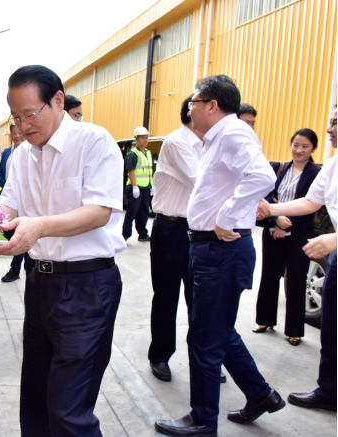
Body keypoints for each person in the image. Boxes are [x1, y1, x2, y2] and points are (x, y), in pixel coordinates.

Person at [0, 65, 125, 436]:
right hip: (40, 284)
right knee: (35, 400)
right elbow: (8, 207)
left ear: (57, 100)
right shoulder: (22, 155)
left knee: (69, 410)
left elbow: (99, 212)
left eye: (30, 114)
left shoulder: (93, 141)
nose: (22, 126)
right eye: (16, 118)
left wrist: (39, 226)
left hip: (87, 286)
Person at [155, 75, 284, 437]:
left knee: (205, 339)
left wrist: (227, 216)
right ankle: (260, 395)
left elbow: (261, 175)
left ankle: (202, 420)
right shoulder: (216, 138)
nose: (189, 107)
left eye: (194, 101)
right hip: (208, 247)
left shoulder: (232, 132)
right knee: (217, 332)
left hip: (221, 248)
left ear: (211, 105)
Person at [259, 106, 337, 412]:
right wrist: (270, 210)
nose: (330, 129)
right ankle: (330, 391)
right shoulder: (332, 166)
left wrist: (333, 239)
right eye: (331, 122)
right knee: (331, 328)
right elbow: (309, 202)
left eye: (336, 123)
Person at [148, 95, 202, 382]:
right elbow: (202, 181)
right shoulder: (177, 142)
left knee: (199, 301)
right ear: (192, 113)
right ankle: (160, 355)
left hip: (199, 231)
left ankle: (203, 361)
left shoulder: (207, 145)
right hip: (171, 230)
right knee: (167, 297)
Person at [253, 129, 321, 346]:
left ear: (313, 149)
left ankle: (294, 330)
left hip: (299, 233)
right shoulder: (279, 168)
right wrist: (276, 219)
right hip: (274, 229)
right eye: (296, 145)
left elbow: (311, 205)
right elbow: (266, 195)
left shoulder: (316, 173)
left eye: (305, 146)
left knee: (296, 279)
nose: (299, 150)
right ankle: (265, 320)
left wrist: (286, 222)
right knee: (269, 275)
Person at [0, 123, 35, 282]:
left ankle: (15, 268)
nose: (17, 134)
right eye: (14, 132)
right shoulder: (9, 153)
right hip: (9, 197)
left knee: (21, 235)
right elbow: (0, 173)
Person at [122, 126, 154, 242]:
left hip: (146, 187)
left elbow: (150, 170)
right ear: (137, 140)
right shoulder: (133, 154)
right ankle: (124, 235)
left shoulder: (148, 153)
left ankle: (143, 233)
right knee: (131, 212)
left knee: (144, 212)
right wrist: (135, 186)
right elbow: (130, 170)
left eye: (146, 138)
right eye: (142, 138)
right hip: (135, 188)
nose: (145, 140)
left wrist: (152, 185)